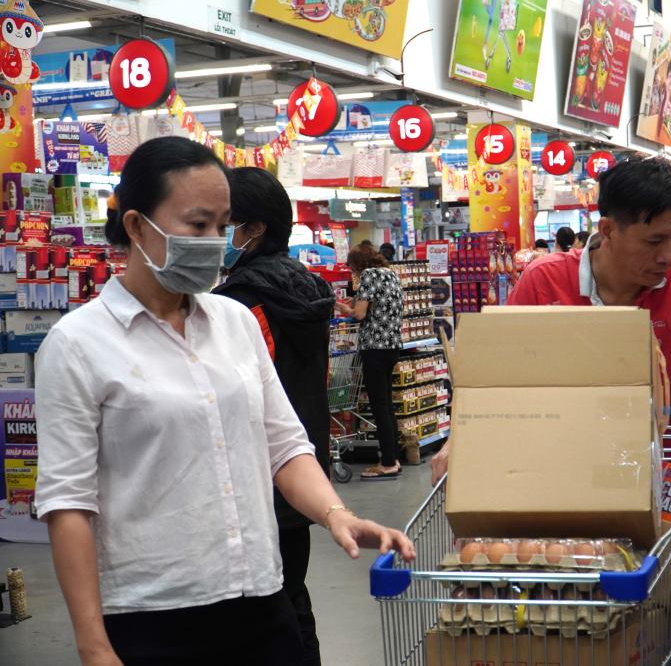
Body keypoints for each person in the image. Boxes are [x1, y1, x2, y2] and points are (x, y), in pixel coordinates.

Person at [34, 137, 414, 666]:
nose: (215, 241)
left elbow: (282, 444)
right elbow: (67, 503)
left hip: (261, 596)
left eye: (222, 225)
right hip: (154, 616)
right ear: (137, 226)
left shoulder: (235, 322)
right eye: (197, 225)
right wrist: (94, 645)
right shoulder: (77, 346)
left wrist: (337, 515)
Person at [432, 158, 671, 486]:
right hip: (563, 477)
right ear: (607, 230)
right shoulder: (545, 281)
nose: (668, 255)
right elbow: (495, 381)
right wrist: (459, 439)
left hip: (663, 478)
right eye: (653, 241)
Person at [213, 167, 335, 666]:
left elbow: (239, 401)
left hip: (257, 478)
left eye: (221, 222)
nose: (214, 235)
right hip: (302, 471)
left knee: (258, 612)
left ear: (254, 229)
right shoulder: (308, 288)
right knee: (294, 597)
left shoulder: (239, 303)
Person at [336, 248, 404, 480]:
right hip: (392, 345)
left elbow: (360, 314)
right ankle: (393, 458)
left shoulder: (368, 276)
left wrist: (343, 308)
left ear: (357, 265)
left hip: (374, 346)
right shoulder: (391, 273)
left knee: (379, 407)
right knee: (387, 405)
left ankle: (387, 463)